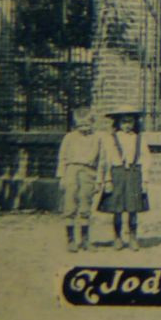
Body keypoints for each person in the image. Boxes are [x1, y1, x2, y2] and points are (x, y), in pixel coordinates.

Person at [96, 106, 149, 250]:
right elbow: (105, 160)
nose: (127, 125)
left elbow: (146, 159)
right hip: (117, 174)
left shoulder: (139, 139)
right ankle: (117, 237)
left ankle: (133, 237)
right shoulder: (111, 139)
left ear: (135, 123)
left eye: (130, 122)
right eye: (124, 122)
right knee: (117, 208)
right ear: (118, 123)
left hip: (134, 174)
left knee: (133, 208)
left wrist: (144, 180)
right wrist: (107, 180)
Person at [56, 106, 101, 251]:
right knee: (70, 205)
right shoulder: (69, 138)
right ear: (75, 125)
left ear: (92, 123)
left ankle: (85, 240)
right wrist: (62, 176)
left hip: (89, 172)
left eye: (87, 125)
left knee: (85, 204)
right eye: (80, 125)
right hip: (71, 170)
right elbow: (62, 158)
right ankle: (71, 240)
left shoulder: (97, 138)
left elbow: (102, 160)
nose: (84, 128)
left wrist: (99, 179)